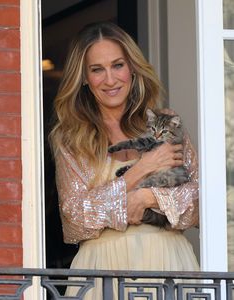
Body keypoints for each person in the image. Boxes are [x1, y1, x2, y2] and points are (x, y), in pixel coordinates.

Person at [49, 21, 199, 299]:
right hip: (101, 269)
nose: (110, 79)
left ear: (132, 68)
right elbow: (75, 219)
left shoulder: (166, 122)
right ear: (84, 78)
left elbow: (199, 202)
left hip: (169, 262)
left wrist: (147, 198)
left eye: (118, 65)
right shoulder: (70, 138)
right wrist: (143, 168)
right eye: (97, 70)